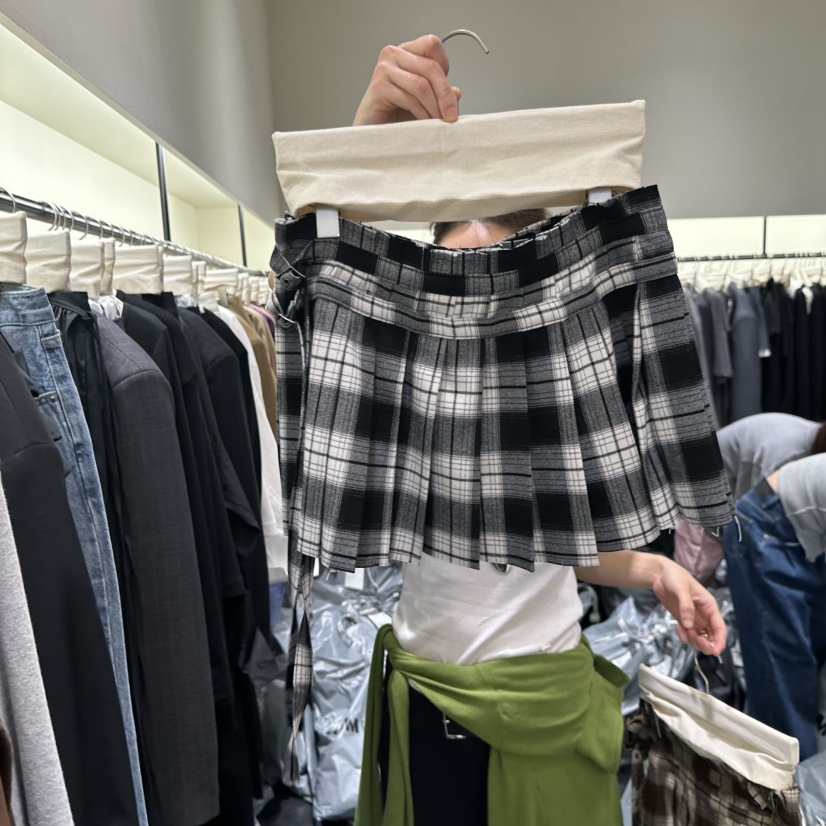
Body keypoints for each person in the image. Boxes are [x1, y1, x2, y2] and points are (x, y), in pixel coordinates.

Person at [347, 35, 728, 826]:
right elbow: (317, 311)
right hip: (430, 704)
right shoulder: (403, 377)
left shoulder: (570, 395)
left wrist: (657, 572)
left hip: (546, 706)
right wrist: (364, 144)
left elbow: (561, 545)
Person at [724, 447, 826, 761]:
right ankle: (792, 785)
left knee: (810, 656)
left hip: (805, 525)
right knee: (784, 671)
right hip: (765, 523)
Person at [675, 412, 826, 583]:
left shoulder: (808, 448)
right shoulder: (781, 456)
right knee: (692, 577)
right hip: (701, 487)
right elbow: (751, 516)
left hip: (728, 484)